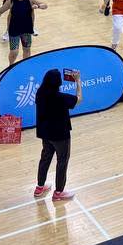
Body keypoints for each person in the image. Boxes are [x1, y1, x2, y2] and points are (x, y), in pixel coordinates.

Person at [34, 68, 81, 201]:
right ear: (58, 83)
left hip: (45, 134)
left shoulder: (40, 93)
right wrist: (78, 81)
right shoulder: (60, 98)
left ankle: (40, 187)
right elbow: (78, 99)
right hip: (60, 135)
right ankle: (59, 192)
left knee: (45, 158)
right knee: (62, 161)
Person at [0, 0, 48, 64]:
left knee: (27, 50)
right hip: (14, 29)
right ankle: (11, 66)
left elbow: (45, 5)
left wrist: (38, 6)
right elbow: (0, 11)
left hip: (26, 29)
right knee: (14, 52)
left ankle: (25, 65)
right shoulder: (11, 1)